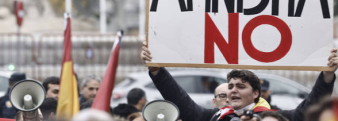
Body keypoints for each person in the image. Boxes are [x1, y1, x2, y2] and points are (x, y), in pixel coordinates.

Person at [141, 41, 337, 121]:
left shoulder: (274, 117)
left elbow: (309, 108)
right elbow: (182, 102)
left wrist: (327, 76)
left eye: (241, 87)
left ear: (255, 94)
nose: (232, 91)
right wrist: (157, 70)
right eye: (231, 86)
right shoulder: (215, 116)